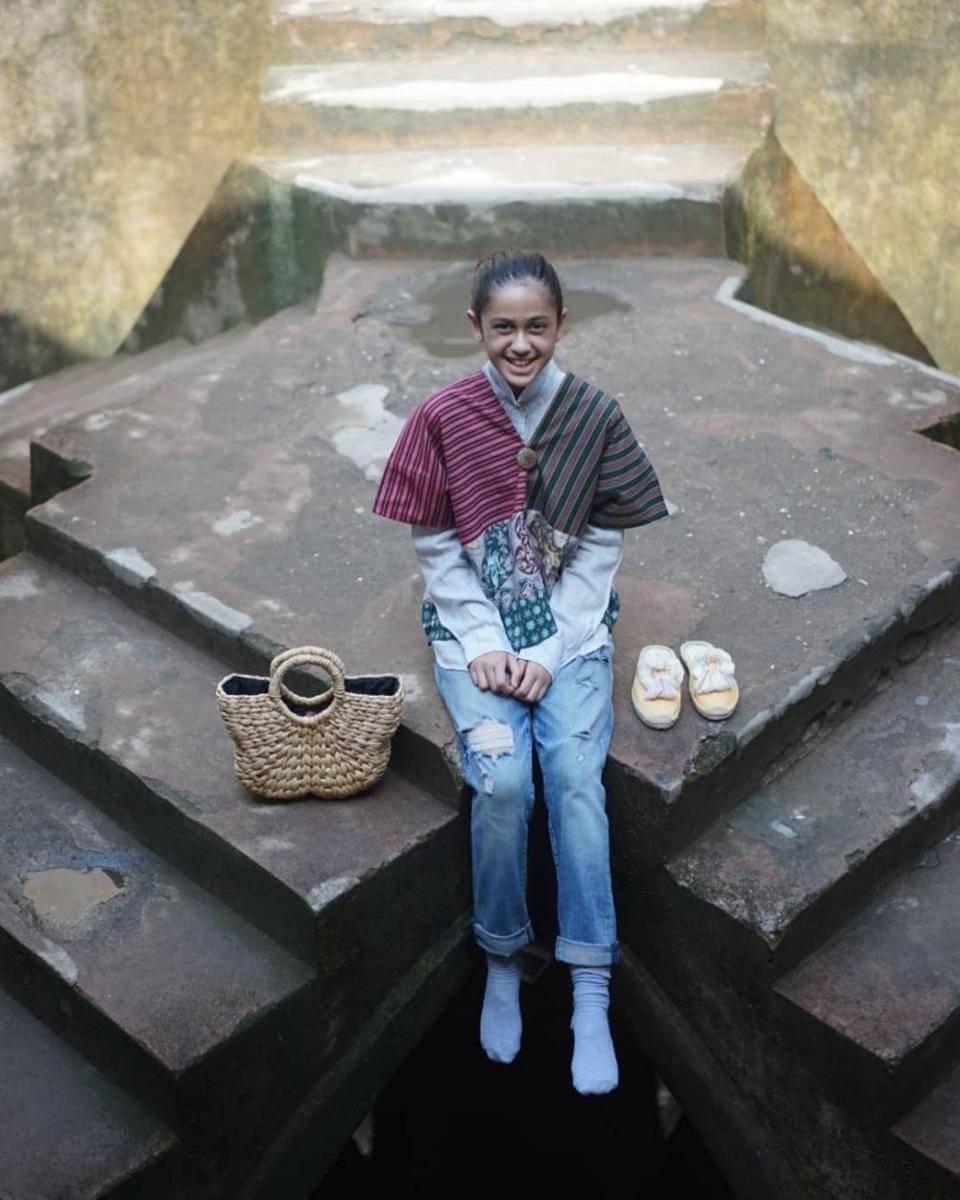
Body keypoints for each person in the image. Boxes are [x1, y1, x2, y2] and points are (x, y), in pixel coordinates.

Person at [373, 249, 667, 1094]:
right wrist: (482, 640)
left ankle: (589, 986)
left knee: (574, 776)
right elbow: (436, 545)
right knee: (501, 779)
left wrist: (545, 650)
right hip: (473, 632)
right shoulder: (445, 415)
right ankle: (503, 956)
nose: (521, 343)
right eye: (503, 327)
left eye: (538, 326)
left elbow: (601, 546)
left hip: (569, 633)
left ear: (561, 324)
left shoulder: (593, 415)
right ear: (476, 327)